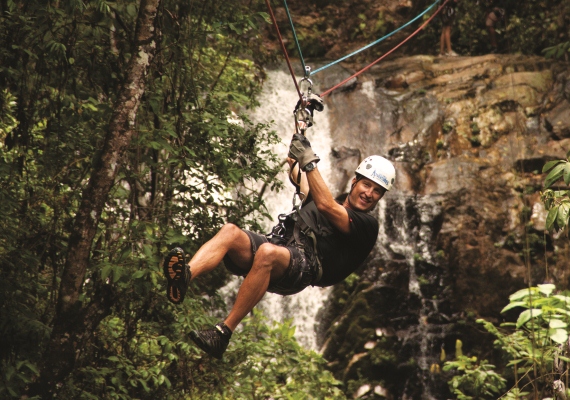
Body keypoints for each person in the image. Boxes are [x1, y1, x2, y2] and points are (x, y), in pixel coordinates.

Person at [163, 134, 396, 359]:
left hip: (305, 268)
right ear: (355, 181)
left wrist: (309, 158)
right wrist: (298, 149)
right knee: (230, 232)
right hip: (282, 247)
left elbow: (325, 205)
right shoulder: (327, 201)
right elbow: (302, 178)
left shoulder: (366, 225)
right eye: (367, 185)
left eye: (377, 191)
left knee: (267, 253)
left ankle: (223, 334)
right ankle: (185, 276)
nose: (369, 194)